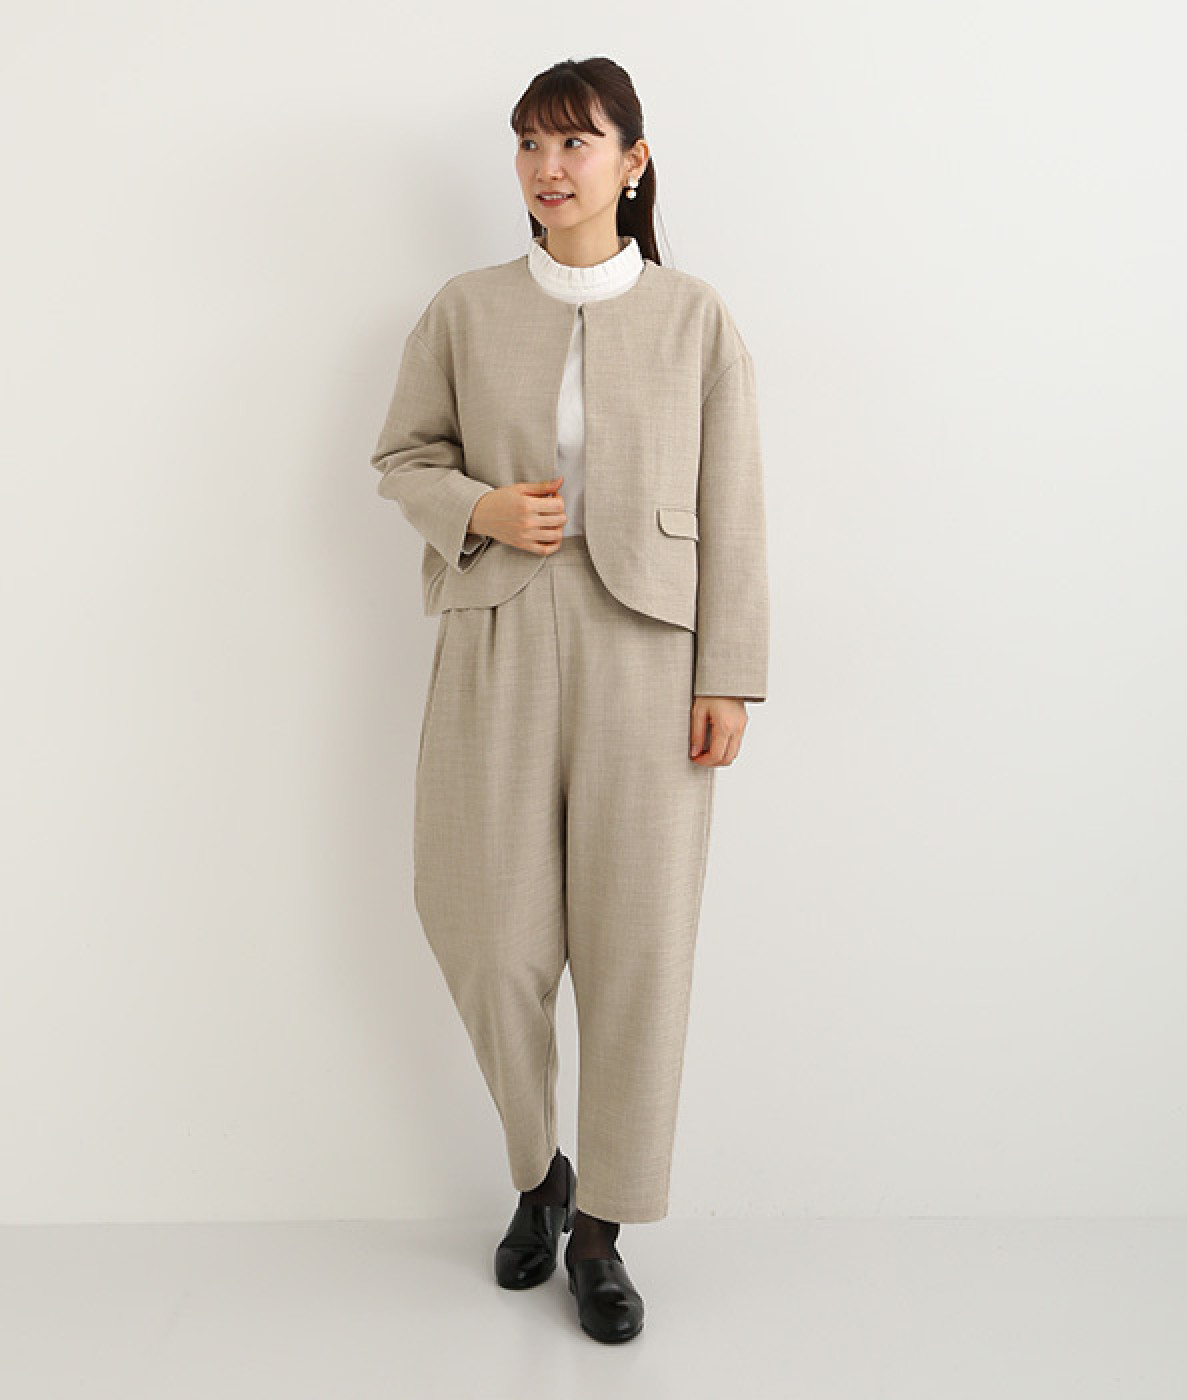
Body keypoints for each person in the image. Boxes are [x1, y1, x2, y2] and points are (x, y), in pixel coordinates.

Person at [369, 56, 769, 1344]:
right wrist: (477, 508)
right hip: (497, 629)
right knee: (487, 929)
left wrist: (729, 672)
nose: (550, 167)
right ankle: (537, 1170)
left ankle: (600, 1228)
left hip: (650, 649)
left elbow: (735, 503)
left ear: (632, 162)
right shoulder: (465, 309)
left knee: (638, 944)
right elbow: (403, 455)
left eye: (577, 142)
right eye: (531, 143)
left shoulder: (696, 317)